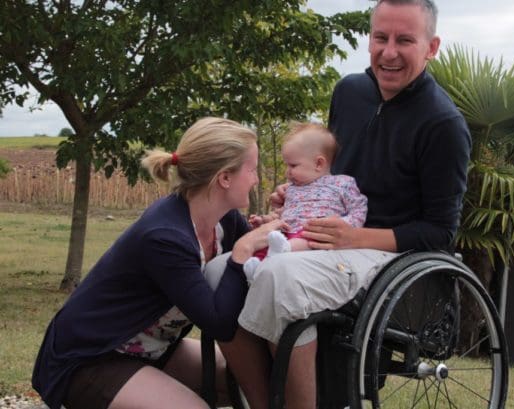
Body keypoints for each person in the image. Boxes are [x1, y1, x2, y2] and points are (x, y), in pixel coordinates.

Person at [232, 1, 472, 408]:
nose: (389, 51)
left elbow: (440, 232)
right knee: (224, 269)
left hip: (385, 257)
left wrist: (354, 236)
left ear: (431, 47)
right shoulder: (349, 92)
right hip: (324, 237)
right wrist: (299, 193)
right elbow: (332, 172)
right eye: (380, 37)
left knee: (282, 277)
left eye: (404, 40)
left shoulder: (443, 125)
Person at [31, 117, 281, 409]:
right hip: (92, 357)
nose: (257, 179)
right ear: (224, 178)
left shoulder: (224, 220)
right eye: (252, 170)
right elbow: (219, 323)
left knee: (245, 381)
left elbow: (262, 255)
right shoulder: (165, 237)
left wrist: (286, 213)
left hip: (150, 348)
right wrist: (242, 252)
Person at [242, 122, 368, 278]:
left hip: (317, 235)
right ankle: (257, 265)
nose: (287, 172)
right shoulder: (292, 189)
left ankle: (282, 251)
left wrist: (347, 224)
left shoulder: (342, 183)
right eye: (286, 165)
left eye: (293, 165)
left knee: (307, 237)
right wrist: (265, 220)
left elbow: (359, 208)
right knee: (269, 239)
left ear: (318, 163)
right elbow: (284, 214)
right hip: (286, 232)